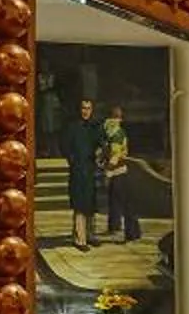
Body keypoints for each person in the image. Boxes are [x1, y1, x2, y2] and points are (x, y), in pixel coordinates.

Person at [60, 92, 102, 248]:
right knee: (79, 203)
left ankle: (90, 234)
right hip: (77, 169)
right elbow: (64, 146)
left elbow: (100, 144)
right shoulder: (72, 127)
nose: (86, 111)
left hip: (90, 169)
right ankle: (80, 238)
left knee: (90, 203)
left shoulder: (94, 127)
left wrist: (99, 153)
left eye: (88, 108)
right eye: (83, 108)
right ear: (79, 109)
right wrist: (73, 160)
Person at [100, 107, 140, 243]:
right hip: (119, 170)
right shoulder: (114, 132)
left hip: (117, 170)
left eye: (117, 117)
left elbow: (114, 155)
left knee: (122, 202)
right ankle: (123, 229)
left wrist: (107, 170)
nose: (116, 120)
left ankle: (131, 231)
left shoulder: (114, 133)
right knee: (120, 201)